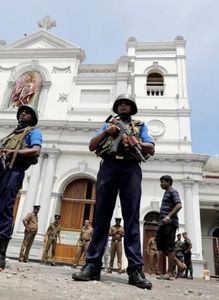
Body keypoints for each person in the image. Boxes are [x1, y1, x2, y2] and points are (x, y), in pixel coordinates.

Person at [72, 94, 155, 289]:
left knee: (132, 218)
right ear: (116, 108)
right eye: (120, 104)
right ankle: (92, 265)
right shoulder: (108, 123)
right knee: (101, 217)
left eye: (127, 104)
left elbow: (151, 148)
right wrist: (107, 132)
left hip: (130, 169)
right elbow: (92, 145)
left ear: (132, 108)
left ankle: (135, 269)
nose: (123, 106)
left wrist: (133, 141)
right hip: (108, 167)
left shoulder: (140, 126)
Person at [0, 105, 42, 270]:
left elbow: (36, 151)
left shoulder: (33, 132)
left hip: (14, 170)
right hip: (2, 170)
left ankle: (1, 253)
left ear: (33, 118)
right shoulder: (11, 135)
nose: (24, 114)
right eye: (22, 112)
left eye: (28, 113)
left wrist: (11, 152)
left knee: (4, 208)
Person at [156, 175, 182, 280]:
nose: (161, 184)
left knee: (170, 247)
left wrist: (168, 216)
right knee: (162, 247)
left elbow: (179, 205)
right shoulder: (166, 193)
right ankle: (178, 266)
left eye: (162, 182)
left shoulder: (173, 191)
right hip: (163, 224)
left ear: (168, 182)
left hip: (170, 223)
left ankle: (170, 272)